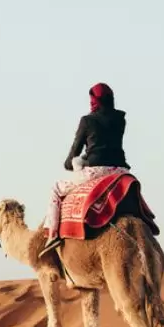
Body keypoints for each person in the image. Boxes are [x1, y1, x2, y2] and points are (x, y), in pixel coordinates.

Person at [39, 82, 131, 257]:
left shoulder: (87, 121)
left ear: (94, 100)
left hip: (96, 171)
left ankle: (52, 235)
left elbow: (75, 151)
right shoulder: (120, 119)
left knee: (57, 189)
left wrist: (70, 162)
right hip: (120, 171)